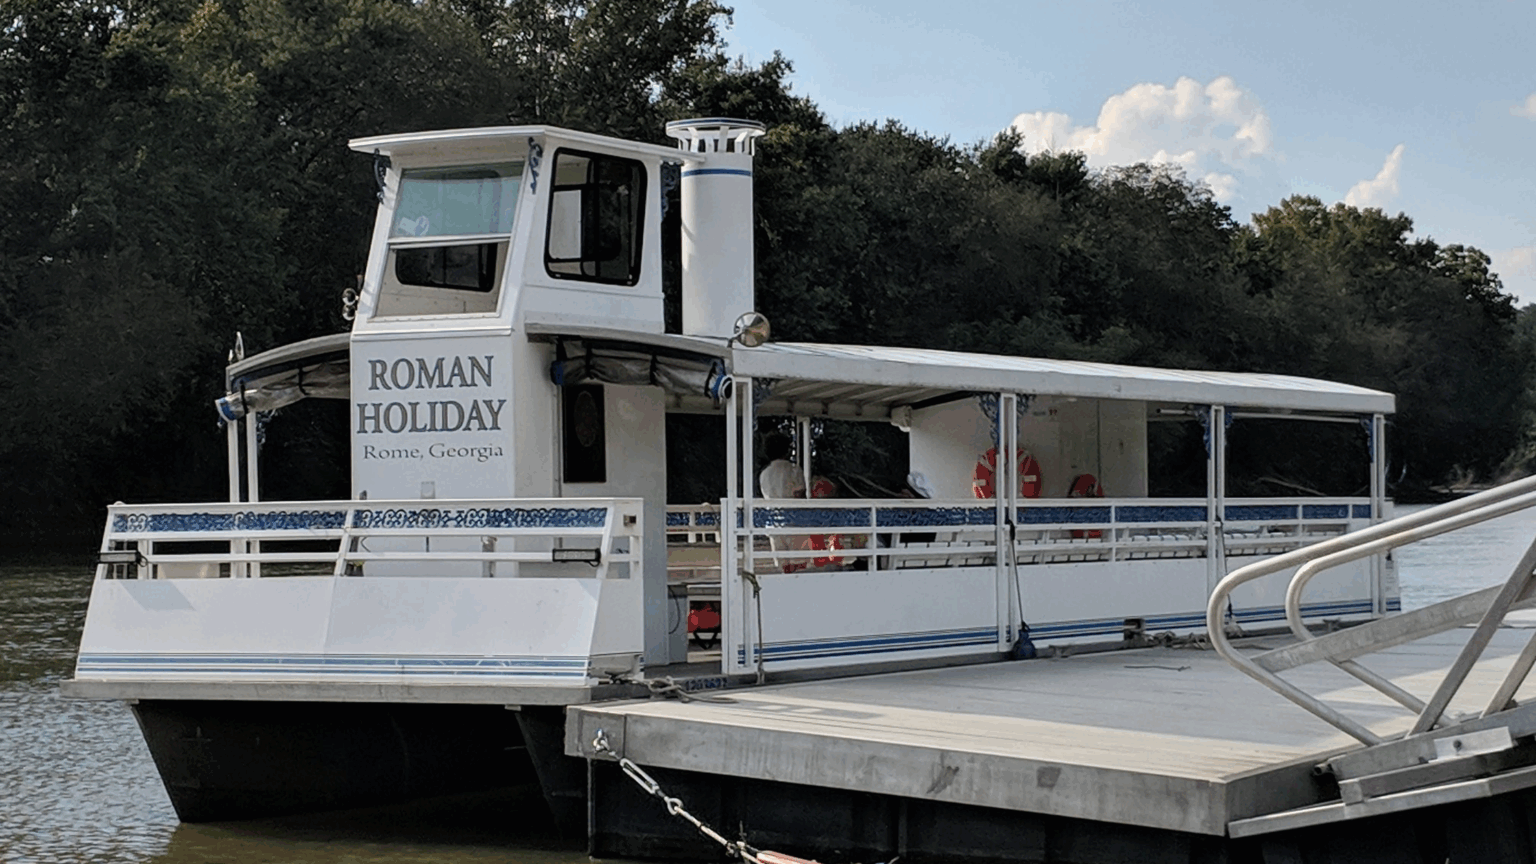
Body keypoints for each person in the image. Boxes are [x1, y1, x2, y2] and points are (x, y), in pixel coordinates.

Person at [758, 432, 805, 571]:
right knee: (798, 566)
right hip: (794, 524)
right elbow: (800, 496)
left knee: (782, 567)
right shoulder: (794, 470)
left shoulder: (764, 473)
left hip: (774, 525)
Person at [758, 432, 805, 499]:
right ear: (787, 450)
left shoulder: (764, 473)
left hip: (772, 508)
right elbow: (800, 494)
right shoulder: (795, 471)